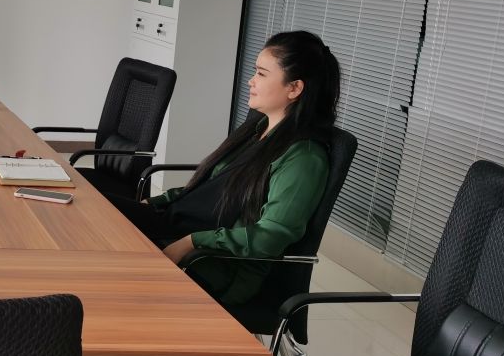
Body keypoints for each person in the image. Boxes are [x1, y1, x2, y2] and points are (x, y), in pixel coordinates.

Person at [113, 30, 341, 307]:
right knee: (99, 213)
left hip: (213, 266)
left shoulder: (303, 157)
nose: (251, 81)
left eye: (261, 74)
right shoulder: (257, 130)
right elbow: (208, 190)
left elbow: (271, 236)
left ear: (294, 88)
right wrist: (154, 203)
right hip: (178, 228)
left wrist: (191, 242)